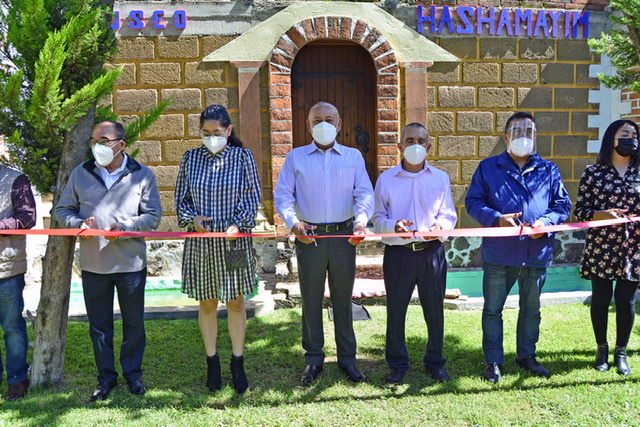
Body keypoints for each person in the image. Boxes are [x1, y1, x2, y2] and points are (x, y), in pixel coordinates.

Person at [55, 120, 162, 401]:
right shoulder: (81, 173)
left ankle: (133, 375)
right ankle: (105, 379)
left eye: (103, 141)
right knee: (99, 327)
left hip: (131, 265)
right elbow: (63, 210)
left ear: (121, 145)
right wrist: (78, 223)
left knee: (133, 324)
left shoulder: (142, 174)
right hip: (94, 264)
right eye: (93, 141)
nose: (97, 146)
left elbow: (153, 216)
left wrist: (125, 227)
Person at [465, 112, 571, 383]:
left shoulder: (549, 170)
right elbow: (473, 202)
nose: (524, 136)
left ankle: (527, 356)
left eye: (529, 132)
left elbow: (562, 205)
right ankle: (493, 361)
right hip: (500, 254)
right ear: (506, 137)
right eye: (518, 131)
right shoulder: (488, 167)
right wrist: (496, 218)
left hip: (536, 253)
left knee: (531, 311)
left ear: (535, 137)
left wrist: (546, 223)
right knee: (493, 310)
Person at [274, 101, 374, 385]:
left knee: (343, 298)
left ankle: (348, 359)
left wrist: (361, 222)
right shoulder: (296, 157)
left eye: (329, 119)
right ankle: (314, 358)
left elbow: (364, 193)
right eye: (317, 120)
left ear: (339, 124)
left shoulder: (353, 157)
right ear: (308, 126)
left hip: (344, 236)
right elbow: (283, 195)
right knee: (311, 298)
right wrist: (294, 223)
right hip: (310, 237)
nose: (323, 124)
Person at [175, 104, 260, 393]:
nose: (211, 137)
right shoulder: (190, 158)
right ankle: (212, 361)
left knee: (235, 301)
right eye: (205, 133)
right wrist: (192, 219)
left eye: (217, 132)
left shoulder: (242, 157)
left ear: (228, 131)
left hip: (234, 240)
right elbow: (182, 199)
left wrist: (238, 224)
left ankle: (238, 361)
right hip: (202, 242)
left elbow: (252, 196)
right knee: (207, 302)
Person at [371, 123, 457, 384]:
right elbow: (377, 218)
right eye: (409, 140)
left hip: (432, 252)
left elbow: (448, 214)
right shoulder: (386, 179)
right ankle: (397, 364)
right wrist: (393, 226)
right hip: (399, 254)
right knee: (396, 310)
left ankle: (435, 362)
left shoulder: (440, 178)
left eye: (420, 141)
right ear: (400, 146)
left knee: (434, 310)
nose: (415, 145)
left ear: (429, 146)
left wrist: (439, 228)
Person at [574, 119, 640, 376]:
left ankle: (621, 352)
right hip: (602, 244)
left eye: (634, 135)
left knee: (626, 300)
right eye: (625, 134)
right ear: (611, 138)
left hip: (633, 246)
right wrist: (600, 215)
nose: (631, 139)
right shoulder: (593, 173)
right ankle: (601, 349)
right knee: (601, 299)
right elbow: (580, 211)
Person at [0, 166, 36, 401]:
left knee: (12, 327)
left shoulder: (15, 179)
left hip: (7, 268)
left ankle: (17, 380)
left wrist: (2, 225)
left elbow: (28, 217)